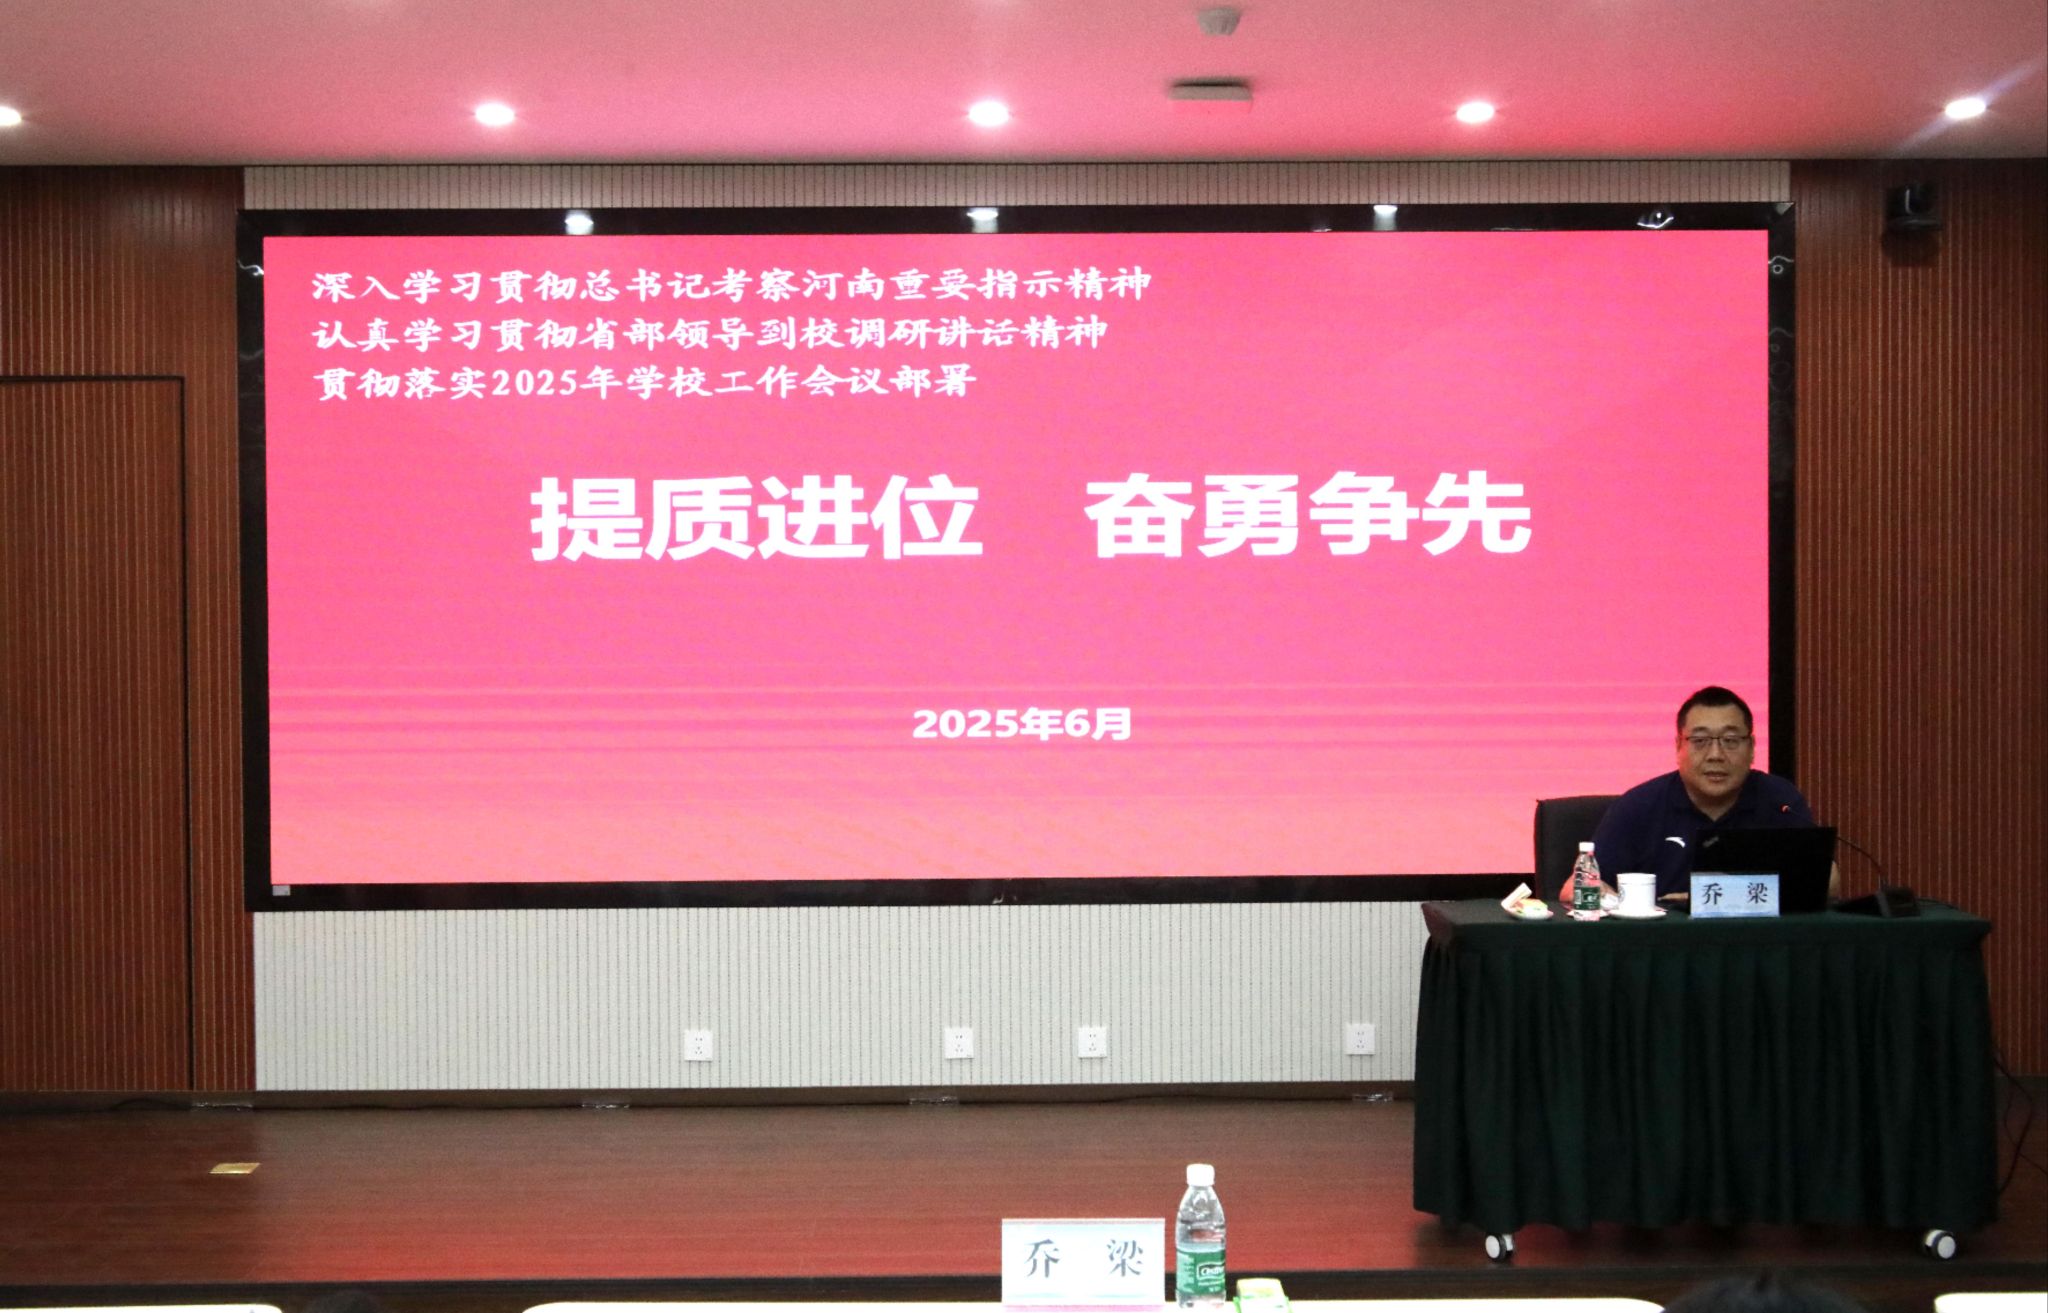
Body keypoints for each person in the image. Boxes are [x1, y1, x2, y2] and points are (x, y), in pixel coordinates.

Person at [1585, 685, 1817, 901]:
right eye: (1700, 741)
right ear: (1678, 747)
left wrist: (1711, 899)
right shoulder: (1638, 806)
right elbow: (1578, 885)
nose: (1715, 755)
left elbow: (1827, 880)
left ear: (1752, 748)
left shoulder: (1781, 802)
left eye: (1730, 740)